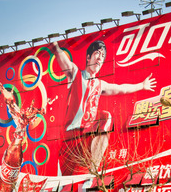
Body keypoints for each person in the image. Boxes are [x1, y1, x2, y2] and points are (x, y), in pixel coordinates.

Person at [52, 40, 157, 180]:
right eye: (97, 53)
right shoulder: (76, 74)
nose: (100, 57)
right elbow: (64, 61)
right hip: (69, 140)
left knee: (106, 117)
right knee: (64, 187)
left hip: (86, 138)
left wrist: (142, 85)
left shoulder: (100, 85)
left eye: (102, 55)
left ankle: (92, 174)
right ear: (88, 57)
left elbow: (121, 88)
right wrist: (55, 47)